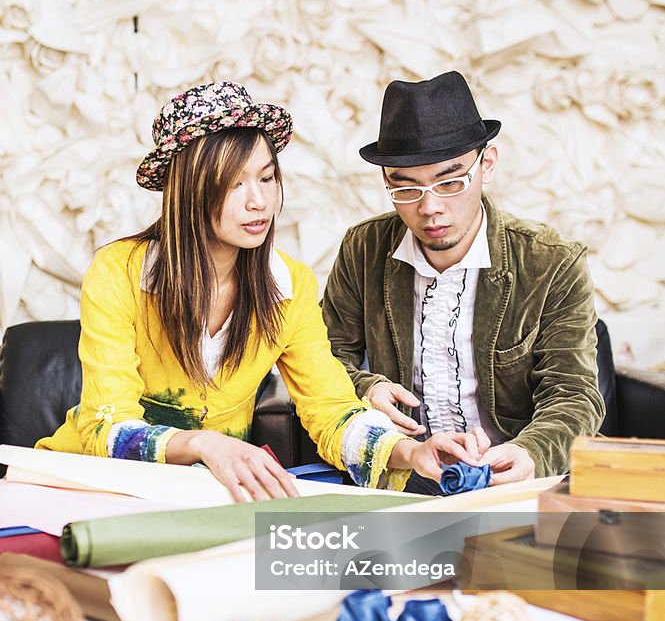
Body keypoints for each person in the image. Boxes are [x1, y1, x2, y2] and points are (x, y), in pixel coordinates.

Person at [38, 82, 484, 501]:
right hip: (90, 483)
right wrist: (204, 444)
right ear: (187, 191)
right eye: (234, 183)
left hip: (209, 494)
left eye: (267, 178)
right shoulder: (119, 272)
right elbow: (105, 424)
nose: (259, 201)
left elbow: (330, 407)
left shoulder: (289, 285)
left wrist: (412, 453)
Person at [321, 71, 604, 489]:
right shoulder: (363, 249)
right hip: (404, 473)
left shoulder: (552, 262)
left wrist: (531, 454)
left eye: (450, 181)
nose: (430, 208)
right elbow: (321, 359)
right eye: (406, 189)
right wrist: (365, 387)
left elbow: (574, 393)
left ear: (486, 165)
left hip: (510, 480)